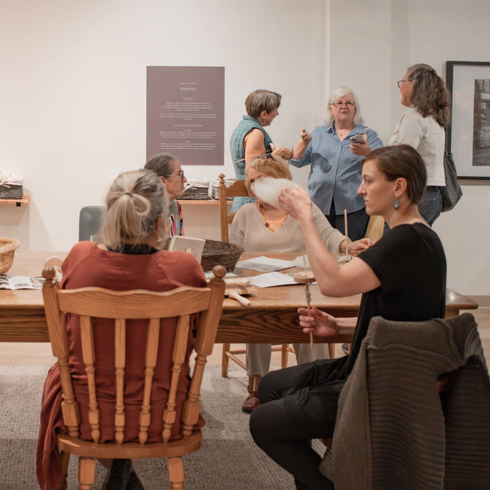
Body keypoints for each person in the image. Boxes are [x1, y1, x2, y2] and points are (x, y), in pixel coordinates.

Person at [249, 145, 447, 490]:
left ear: (398, 187)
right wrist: (338, 327)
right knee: (270, 385)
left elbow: (332, 283)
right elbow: (400, 323)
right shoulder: (411, 237)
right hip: (375, 362)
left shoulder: (407, 241)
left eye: (368, 181)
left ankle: (331, 484)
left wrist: (306, 217)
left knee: (264, 423)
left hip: (384, 384)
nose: (360, 189)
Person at [36, 170, 206, 490]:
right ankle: (122, 472)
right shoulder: (185, 268)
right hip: (161, 415)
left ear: (110, 217)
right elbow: (194, 338)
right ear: (160, 223)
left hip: (89, 413)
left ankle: (120, 471)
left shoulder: (80, 258)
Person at [230, 155, 372, 414]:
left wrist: (349, 245)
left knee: (312, 312)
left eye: (260, 180)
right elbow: (235, 255)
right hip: (260, 285)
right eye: (250, 181)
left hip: (299, 282)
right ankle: (258, 384)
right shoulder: (245, 213)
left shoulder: (302, 207)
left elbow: (328, 234)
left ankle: (313, 381)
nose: (253, 186)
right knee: (256, 316)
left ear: (279, 180)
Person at [290, 87, 383, 241]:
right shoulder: (319, 133)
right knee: (320, 249)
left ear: (355, 108)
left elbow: (385, 163)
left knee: (350, 252)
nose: (344, 106)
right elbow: (297, 160)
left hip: (353, 207)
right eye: (339, 103)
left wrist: (367, 152)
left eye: (348, 103)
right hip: (319, 205)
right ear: (330, 109)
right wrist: (303, 142)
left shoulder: (366, 134)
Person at [389, 64, 451, 226]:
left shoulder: (414, 117)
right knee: (415, 247)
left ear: (414, 84)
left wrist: (369, 153)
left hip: (416, 195)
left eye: (402, 82)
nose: (400, 88)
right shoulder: (435, 118)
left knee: (396, 248)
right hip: (432, 195)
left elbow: (402, 157)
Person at [230, 89, 294, 212]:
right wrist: (275, 155)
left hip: (243, 200)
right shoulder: (256, 133)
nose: (277, 113)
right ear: (264, 114)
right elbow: (253, 170)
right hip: (252, 201)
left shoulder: (242, 127)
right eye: (275, 109)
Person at [144, 153, 187, 237]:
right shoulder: (141, 211)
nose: (184, 180)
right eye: (179, 174)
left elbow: (181, 242)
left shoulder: (176, 206)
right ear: (163, 181)